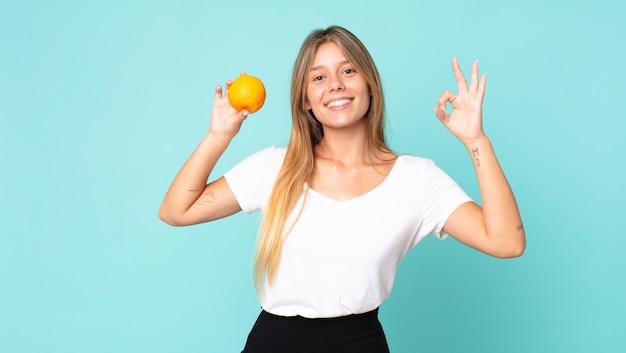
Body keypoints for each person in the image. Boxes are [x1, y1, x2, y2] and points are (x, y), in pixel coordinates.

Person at [158, 25, 525, 353]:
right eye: (318, 77)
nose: (335, 84)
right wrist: (219, 135)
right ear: (305, 100)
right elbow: (176, 211)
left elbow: (506, 241)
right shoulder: (275, 168)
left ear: (369, 84)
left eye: (348, 71)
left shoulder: (417, 180)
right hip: (274, 344)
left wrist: (476, 139)